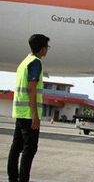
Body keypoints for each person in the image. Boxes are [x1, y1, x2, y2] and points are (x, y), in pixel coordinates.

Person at [7, 34, 50, 182]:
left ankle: (13, 177)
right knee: (29, 149)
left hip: (19, 111)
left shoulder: (24, 62)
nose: (47, 50)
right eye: (47, 47)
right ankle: (23, 179)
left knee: (16, 147)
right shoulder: (36, 62)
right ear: (43, 48)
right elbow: (31, 89)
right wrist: (35, 116)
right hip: (28, 113)